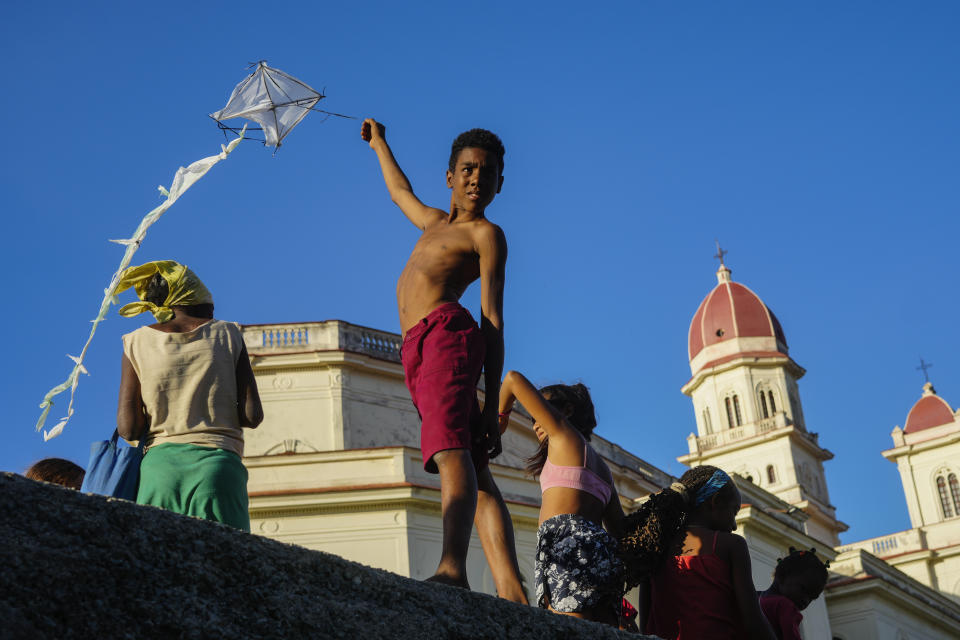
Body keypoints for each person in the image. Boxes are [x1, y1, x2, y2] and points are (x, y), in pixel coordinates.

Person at [361, 119, 526, 602]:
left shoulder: (486, 235)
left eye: (488, 172)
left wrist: (493, 401)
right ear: (450, 176)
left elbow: (492, 318)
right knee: (473, 458)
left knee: (450, 447)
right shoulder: (434, 222)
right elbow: (398, 191)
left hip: (446, 336)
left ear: (499, 184)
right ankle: (512, 590)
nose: (477, 178)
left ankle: (453, 567)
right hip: (417, 347)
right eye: (468, 169)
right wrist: (380, 143)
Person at [115, 260, 263, 531]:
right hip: (218, 466)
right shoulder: (228, 332)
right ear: (186, 295)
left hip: (159, 471)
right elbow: (252, 416)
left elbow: (128, 429)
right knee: (229, 564)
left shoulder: (135, 342)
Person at [498, 371, 625, 625]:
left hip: (569, 548)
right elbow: (619, 529)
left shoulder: (564, 436)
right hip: (603, 556)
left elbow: (511, 379)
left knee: (568, 629)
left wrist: (499, 418)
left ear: (565, 411)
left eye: (541, 413)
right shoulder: (604, 470)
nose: (535, 424)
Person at [643, 466, 777, 640]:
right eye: (733, 512)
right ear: (715, 502)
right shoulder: (731, 545)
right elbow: (752, 617)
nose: (734, 525)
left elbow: (646, 621)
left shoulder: (653, 546)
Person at [759, 548, 829, 640]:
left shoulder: (755, 598)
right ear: (782, 576)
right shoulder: (785, 606)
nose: (806, 600)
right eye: (803, 589)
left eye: (812, 598)